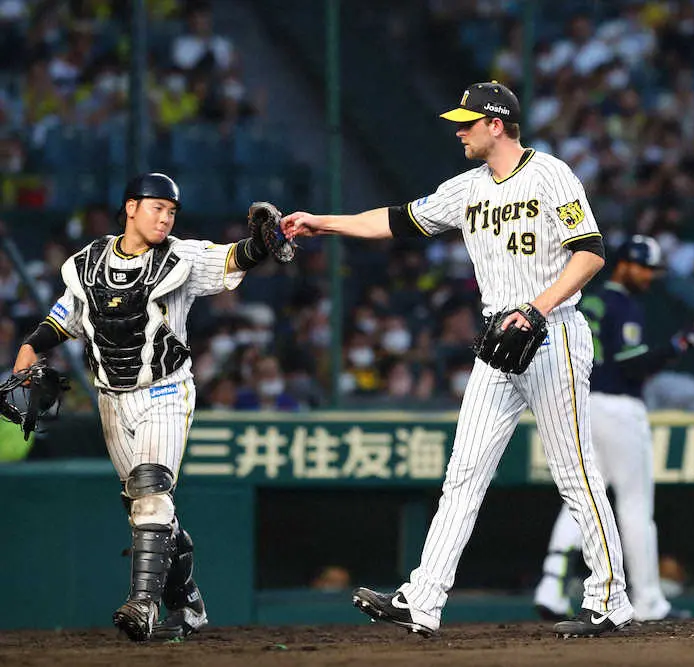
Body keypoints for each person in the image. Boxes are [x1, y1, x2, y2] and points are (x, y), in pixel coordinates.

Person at [281, 81, 633, 637]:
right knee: (463, 473)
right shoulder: (466, 187)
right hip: (500, 340)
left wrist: (537, 310)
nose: (458, 130)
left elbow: (590, 252)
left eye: (468, 122)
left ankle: (609, 599)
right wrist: (322, 222)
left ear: (497, 124)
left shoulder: (551, 174)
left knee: (573, 470)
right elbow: (394, 220)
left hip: (554, 332)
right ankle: (423, 599)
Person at [12, 173, 282, 641]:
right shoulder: (88, 263)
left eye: (172, 210)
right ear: (131, 207)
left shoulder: (180, 257)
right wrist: (29, 353)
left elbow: (234, 256)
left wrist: (260, 244)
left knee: (151, 487)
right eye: (157, 207)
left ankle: (143, 604)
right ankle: (188, 600)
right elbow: (62, 320)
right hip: (111, 399)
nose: (165, 217)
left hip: (165, 389)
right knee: (144, 509)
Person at [534, 235, 694, 623]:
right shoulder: (623, 304)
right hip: (618, 405)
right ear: (626, 264)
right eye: (645, 268)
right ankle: (648, 600)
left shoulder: (590, 300)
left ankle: (550, 582)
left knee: (585, 498)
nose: (649, 276)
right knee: (635, 505)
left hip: (581, 403)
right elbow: (633, 366)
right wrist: (682, 343)